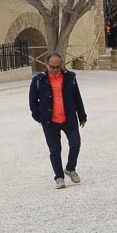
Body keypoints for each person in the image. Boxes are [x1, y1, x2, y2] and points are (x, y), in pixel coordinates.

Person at [29, 53, 88, 189]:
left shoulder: (70, 77)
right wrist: (39, 117)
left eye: (58, 67)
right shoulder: (38, 80)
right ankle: (59, 177)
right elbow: (32, 102)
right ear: (46, 65)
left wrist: (82, 115)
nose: (55, 70)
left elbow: (77, 97)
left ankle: (70, 168)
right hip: (50, 121)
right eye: (52, 67)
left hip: (69, 119)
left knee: (75, 144)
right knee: (55, 150)